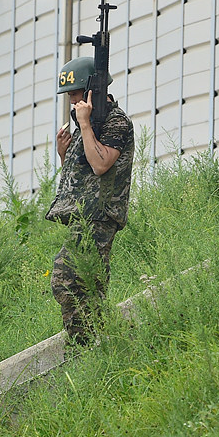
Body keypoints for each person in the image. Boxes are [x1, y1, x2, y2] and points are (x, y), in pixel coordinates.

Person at [46, 57, 135, 346]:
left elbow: (100, 165)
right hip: (85, 214)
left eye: (74, 94)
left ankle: (88, 342)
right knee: (79, 282)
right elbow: (82, 177)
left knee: (71, 278)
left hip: (101, 215)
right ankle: (85, 343)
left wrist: (84, 124)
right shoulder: (86, 124)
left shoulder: (116, 122)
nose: (72, 102)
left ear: (90, 91)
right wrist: (63, 154)